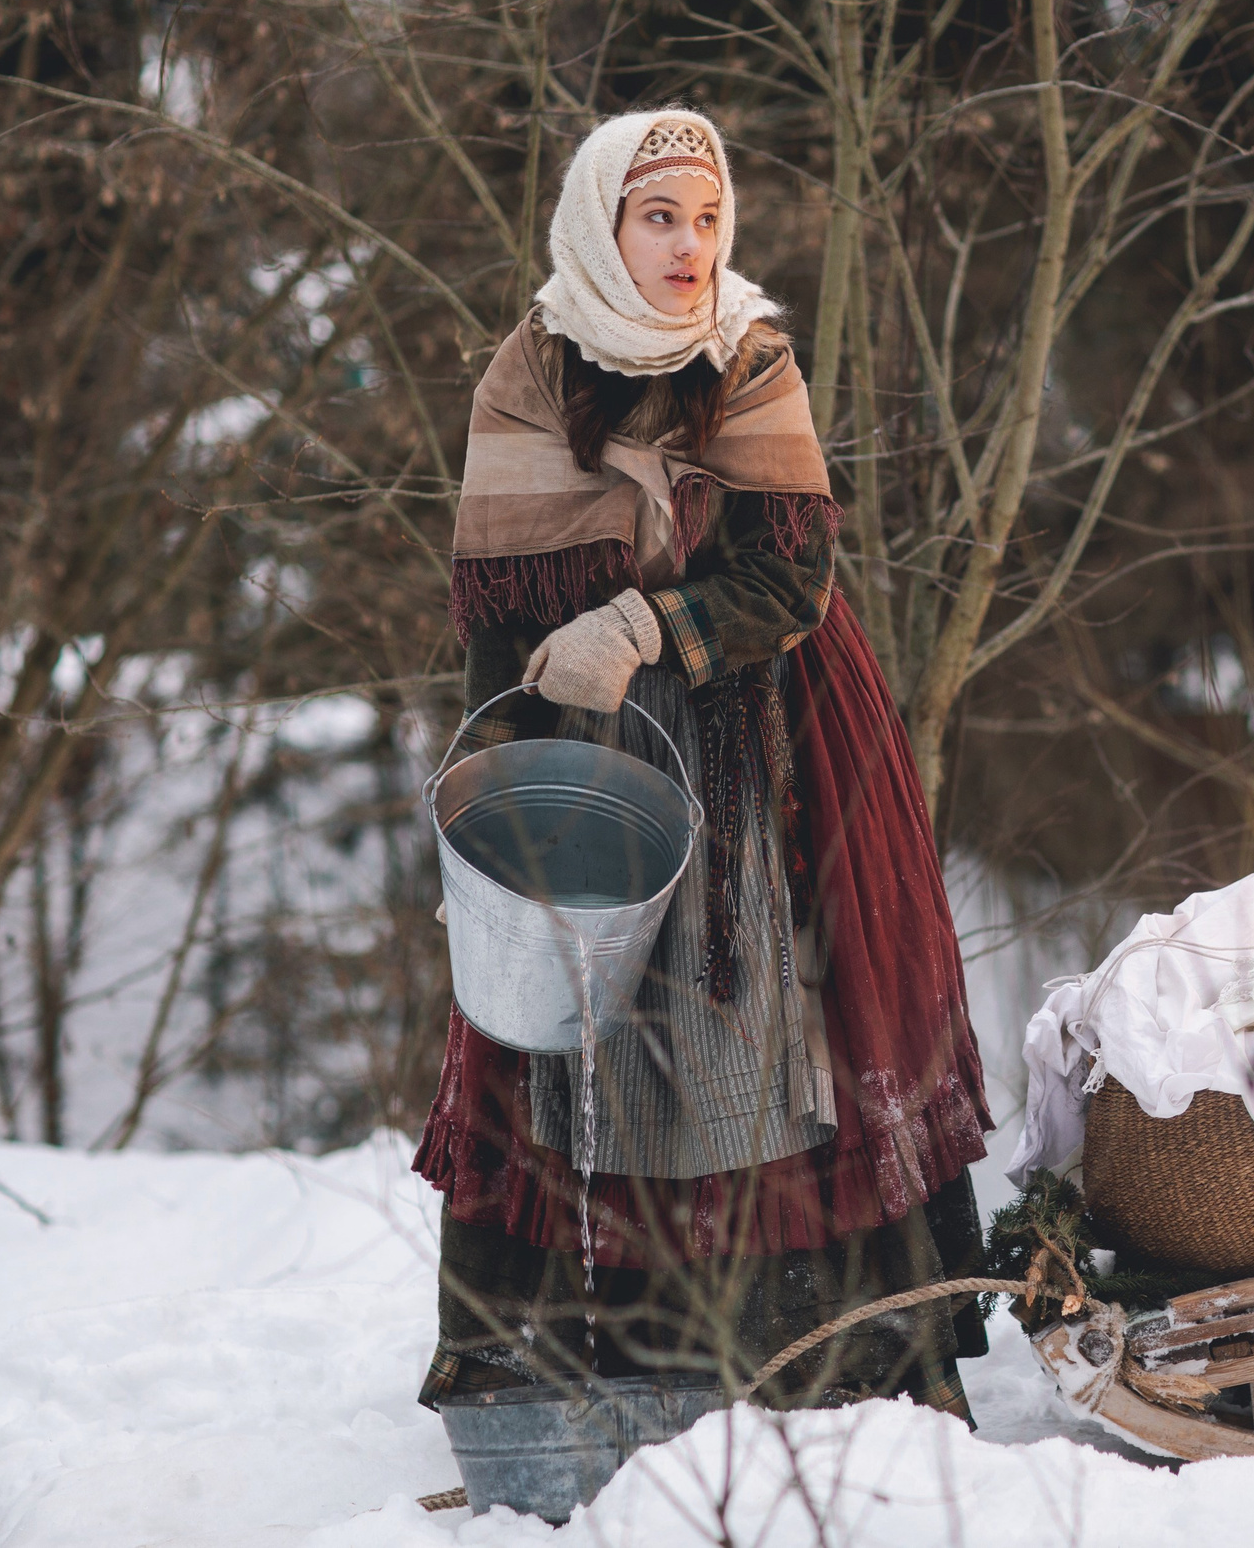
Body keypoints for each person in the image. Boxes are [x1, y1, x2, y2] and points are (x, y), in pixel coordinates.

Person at [413, 109, 993, 1418]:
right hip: (585, 741)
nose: (687, 246)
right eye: (657, 217)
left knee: (769, 1034)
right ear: (600, 223)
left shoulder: (749, 358)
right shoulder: (528, 376)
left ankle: (812, 1351)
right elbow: (497, 611)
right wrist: (489, 800)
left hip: (762, 726)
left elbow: (793, 575)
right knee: (576, 1028)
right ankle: (582, 1349)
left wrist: (647, 622)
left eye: (707, 218)